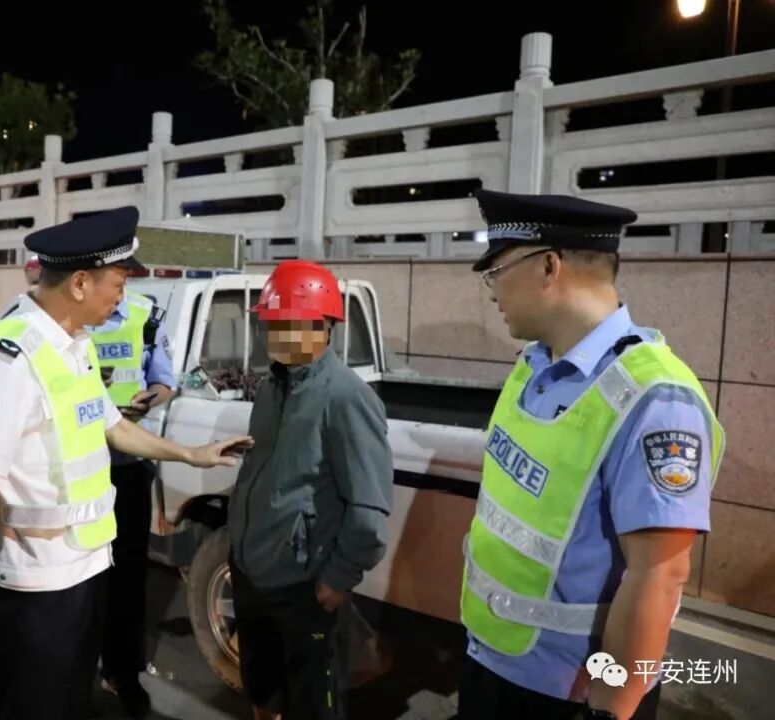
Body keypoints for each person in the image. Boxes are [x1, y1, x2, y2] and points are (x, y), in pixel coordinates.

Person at [0, 205, 251, 720]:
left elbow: (112, 425)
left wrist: (192, 454)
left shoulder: (76, 345)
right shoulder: (9, 359)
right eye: (118, 282)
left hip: (87, 566)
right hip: (36, 580)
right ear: (80, 283)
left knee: (71, 702)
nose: (122, 295)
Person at [458, 189, 724, 720]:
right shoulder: (533, 367)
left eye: (497, 272)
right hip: (492, 656)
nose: (491, 292)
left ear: (548, 267)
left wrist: (613, 702)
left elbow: (660, 575)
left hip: (567, 691)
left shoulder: (655, 400)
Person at [228, 260, 394, 720]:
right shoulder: (273, 386)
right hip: (252, 573)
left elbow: (369, 510)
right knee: (263, 690)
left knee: (315, 703)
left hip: (304, 589)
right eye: (270, 323)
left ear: (324, 327)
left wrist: (337, 579)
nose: (275, 336)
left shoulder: (346, 397)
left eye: (288, 324)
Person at [87, 288, 176, 717]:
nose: (120, 283)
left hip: (129, 465)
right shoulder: (72, 314)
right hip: (81, 467)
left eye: (125, 273)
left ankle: (122, 672)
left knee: (127, 576)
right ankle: (75, 667)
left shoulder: (145, 315)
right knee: (80, 575)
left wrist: (148, 400)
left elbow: (165, 382)